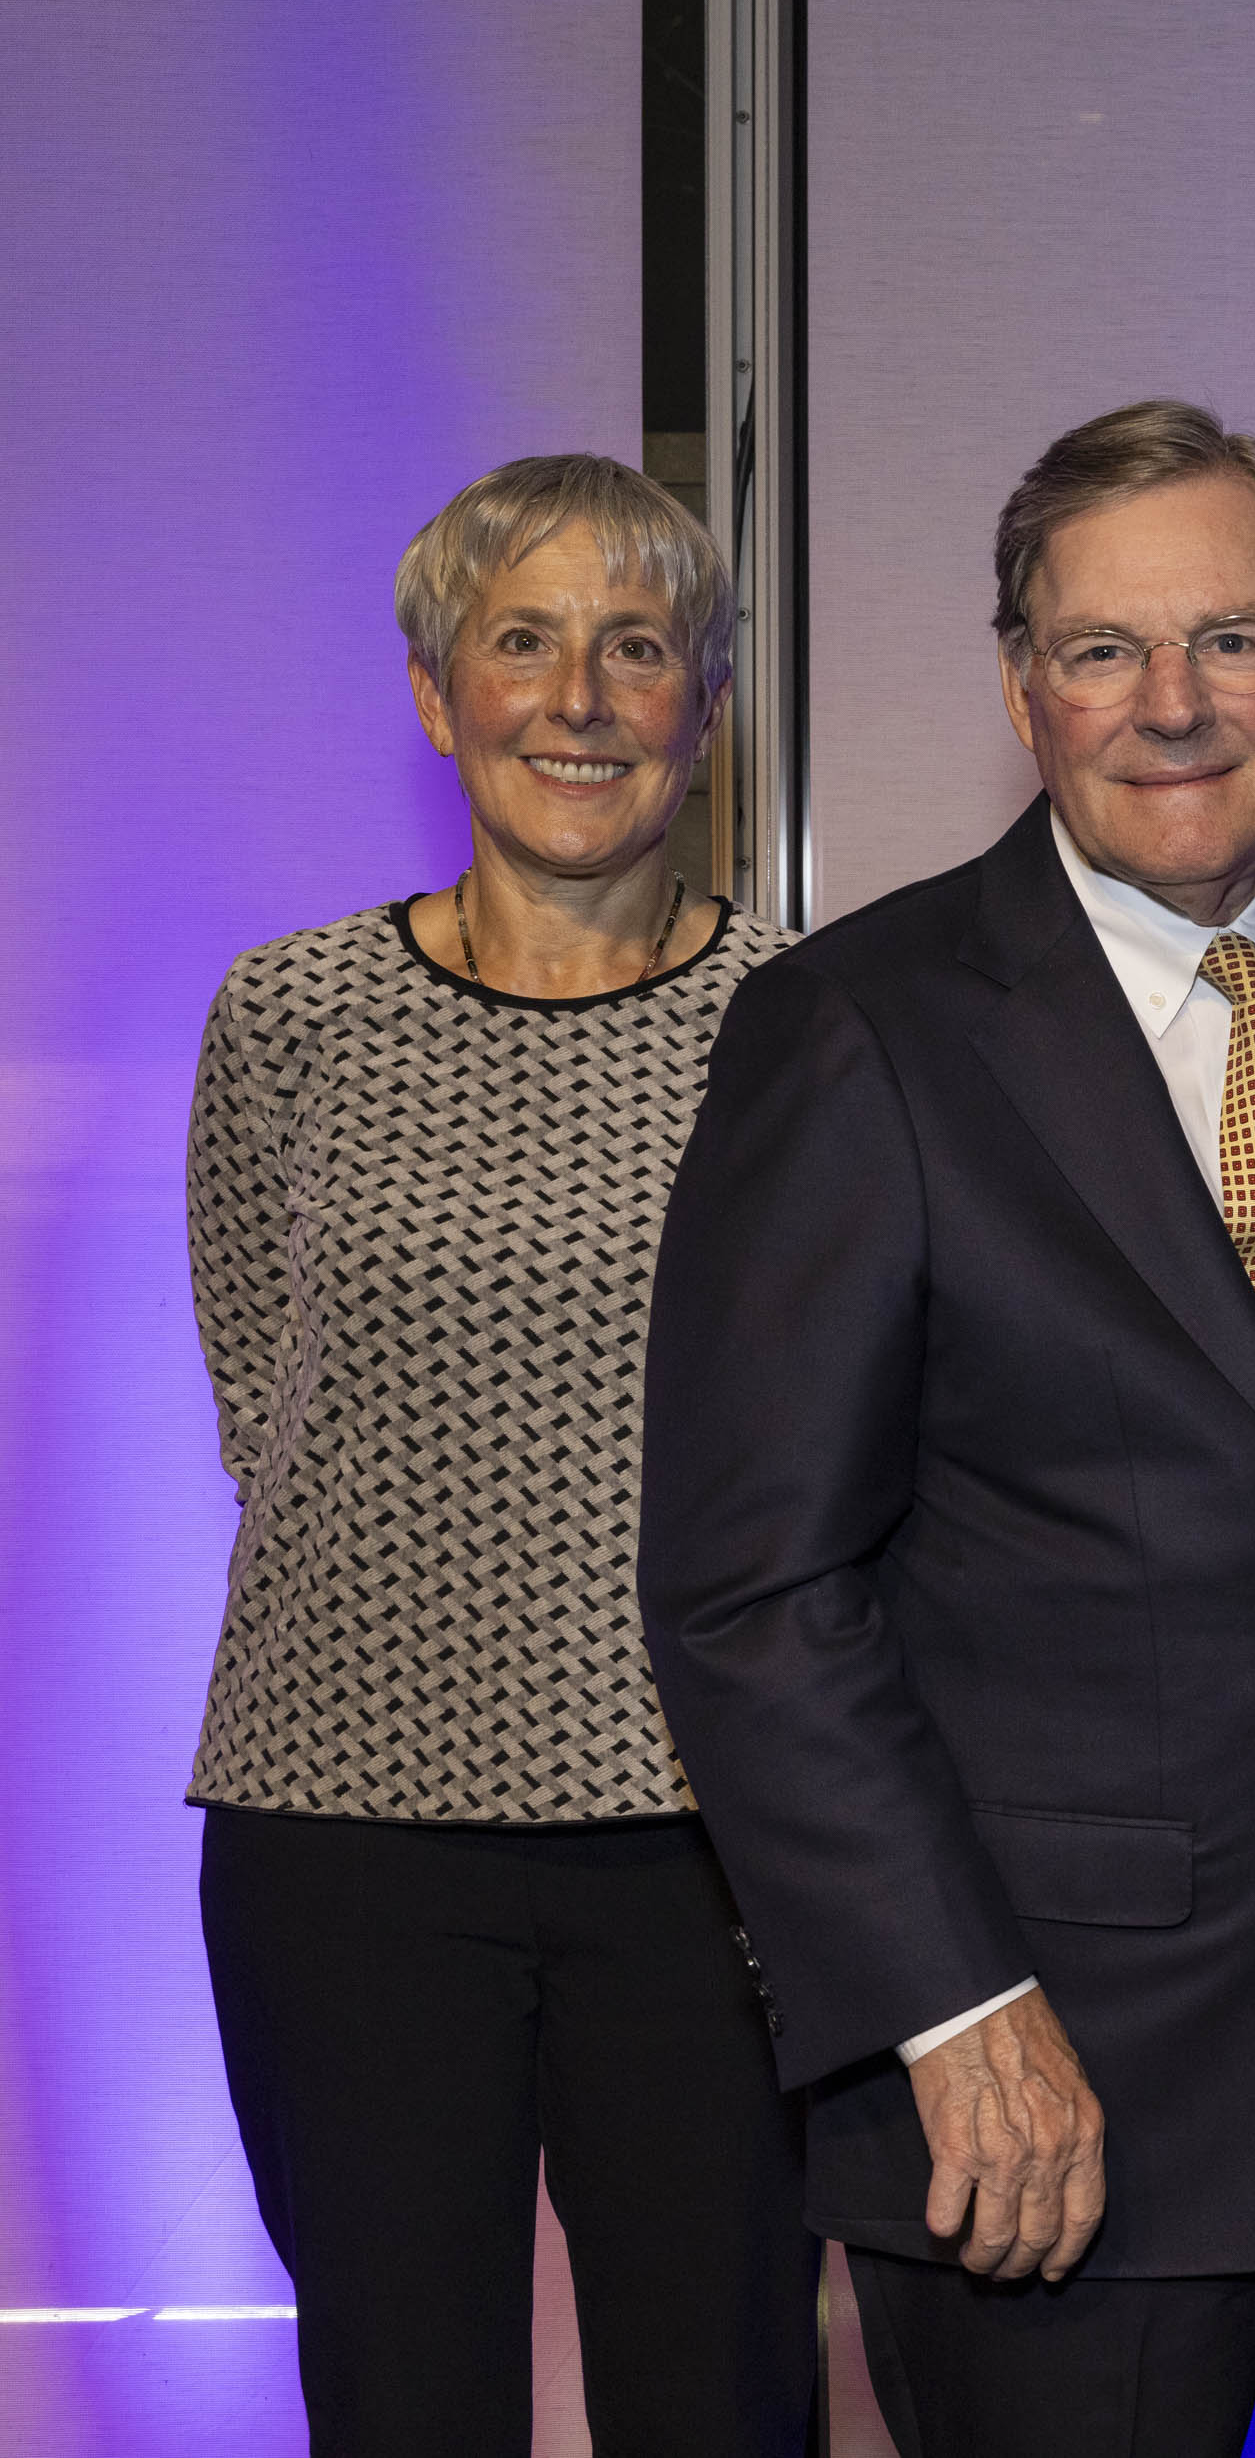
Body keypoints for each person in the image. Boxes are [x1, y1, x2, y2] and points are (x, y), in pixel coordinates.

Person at [638, 400, 1255, 2457]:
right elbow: (750, 1587)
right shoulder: (859, 1026)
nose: (1174, 705)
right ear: (1019, 682)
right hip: (1057, 2067)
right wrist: (948, 2007)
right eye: (1104, 648)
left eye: (1231, 638)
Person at [183, 453, 809, 2454]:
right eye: (521, 641)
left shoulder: (813, 1016)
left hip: (720, 1843)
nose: (579, 696)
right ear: (435, 691)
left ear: (705, 707)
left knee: (717, 2390)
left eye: (640, 648)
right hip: (344, 1836)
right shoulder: (285, 1014)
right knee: (397, 2389)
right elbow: (255, 1391)